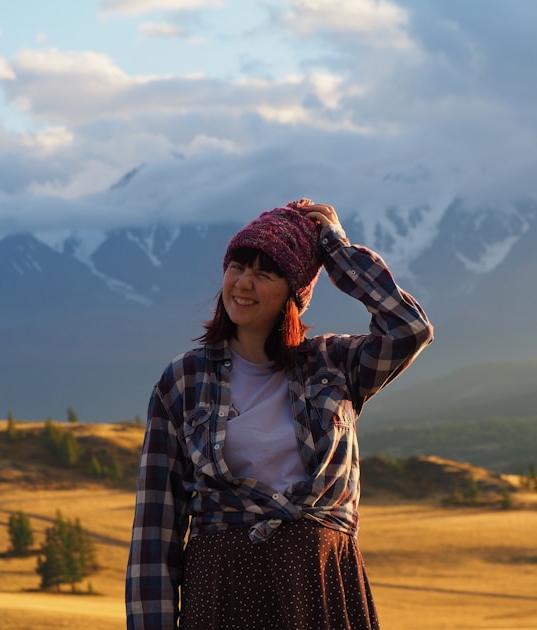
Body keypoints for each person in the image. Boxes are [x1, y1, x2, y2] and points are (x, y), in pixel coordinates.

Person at [125, 198, 433, 629]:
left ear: (294, 292)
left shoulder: (335, 364)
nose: (243, 284)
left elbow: (410, 329)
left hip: (322, 587)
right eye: (237, 267)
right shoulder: (182, 380)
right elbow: (155, 532)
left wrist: (338, 253)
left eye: (265, 273)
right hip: (222, 592)